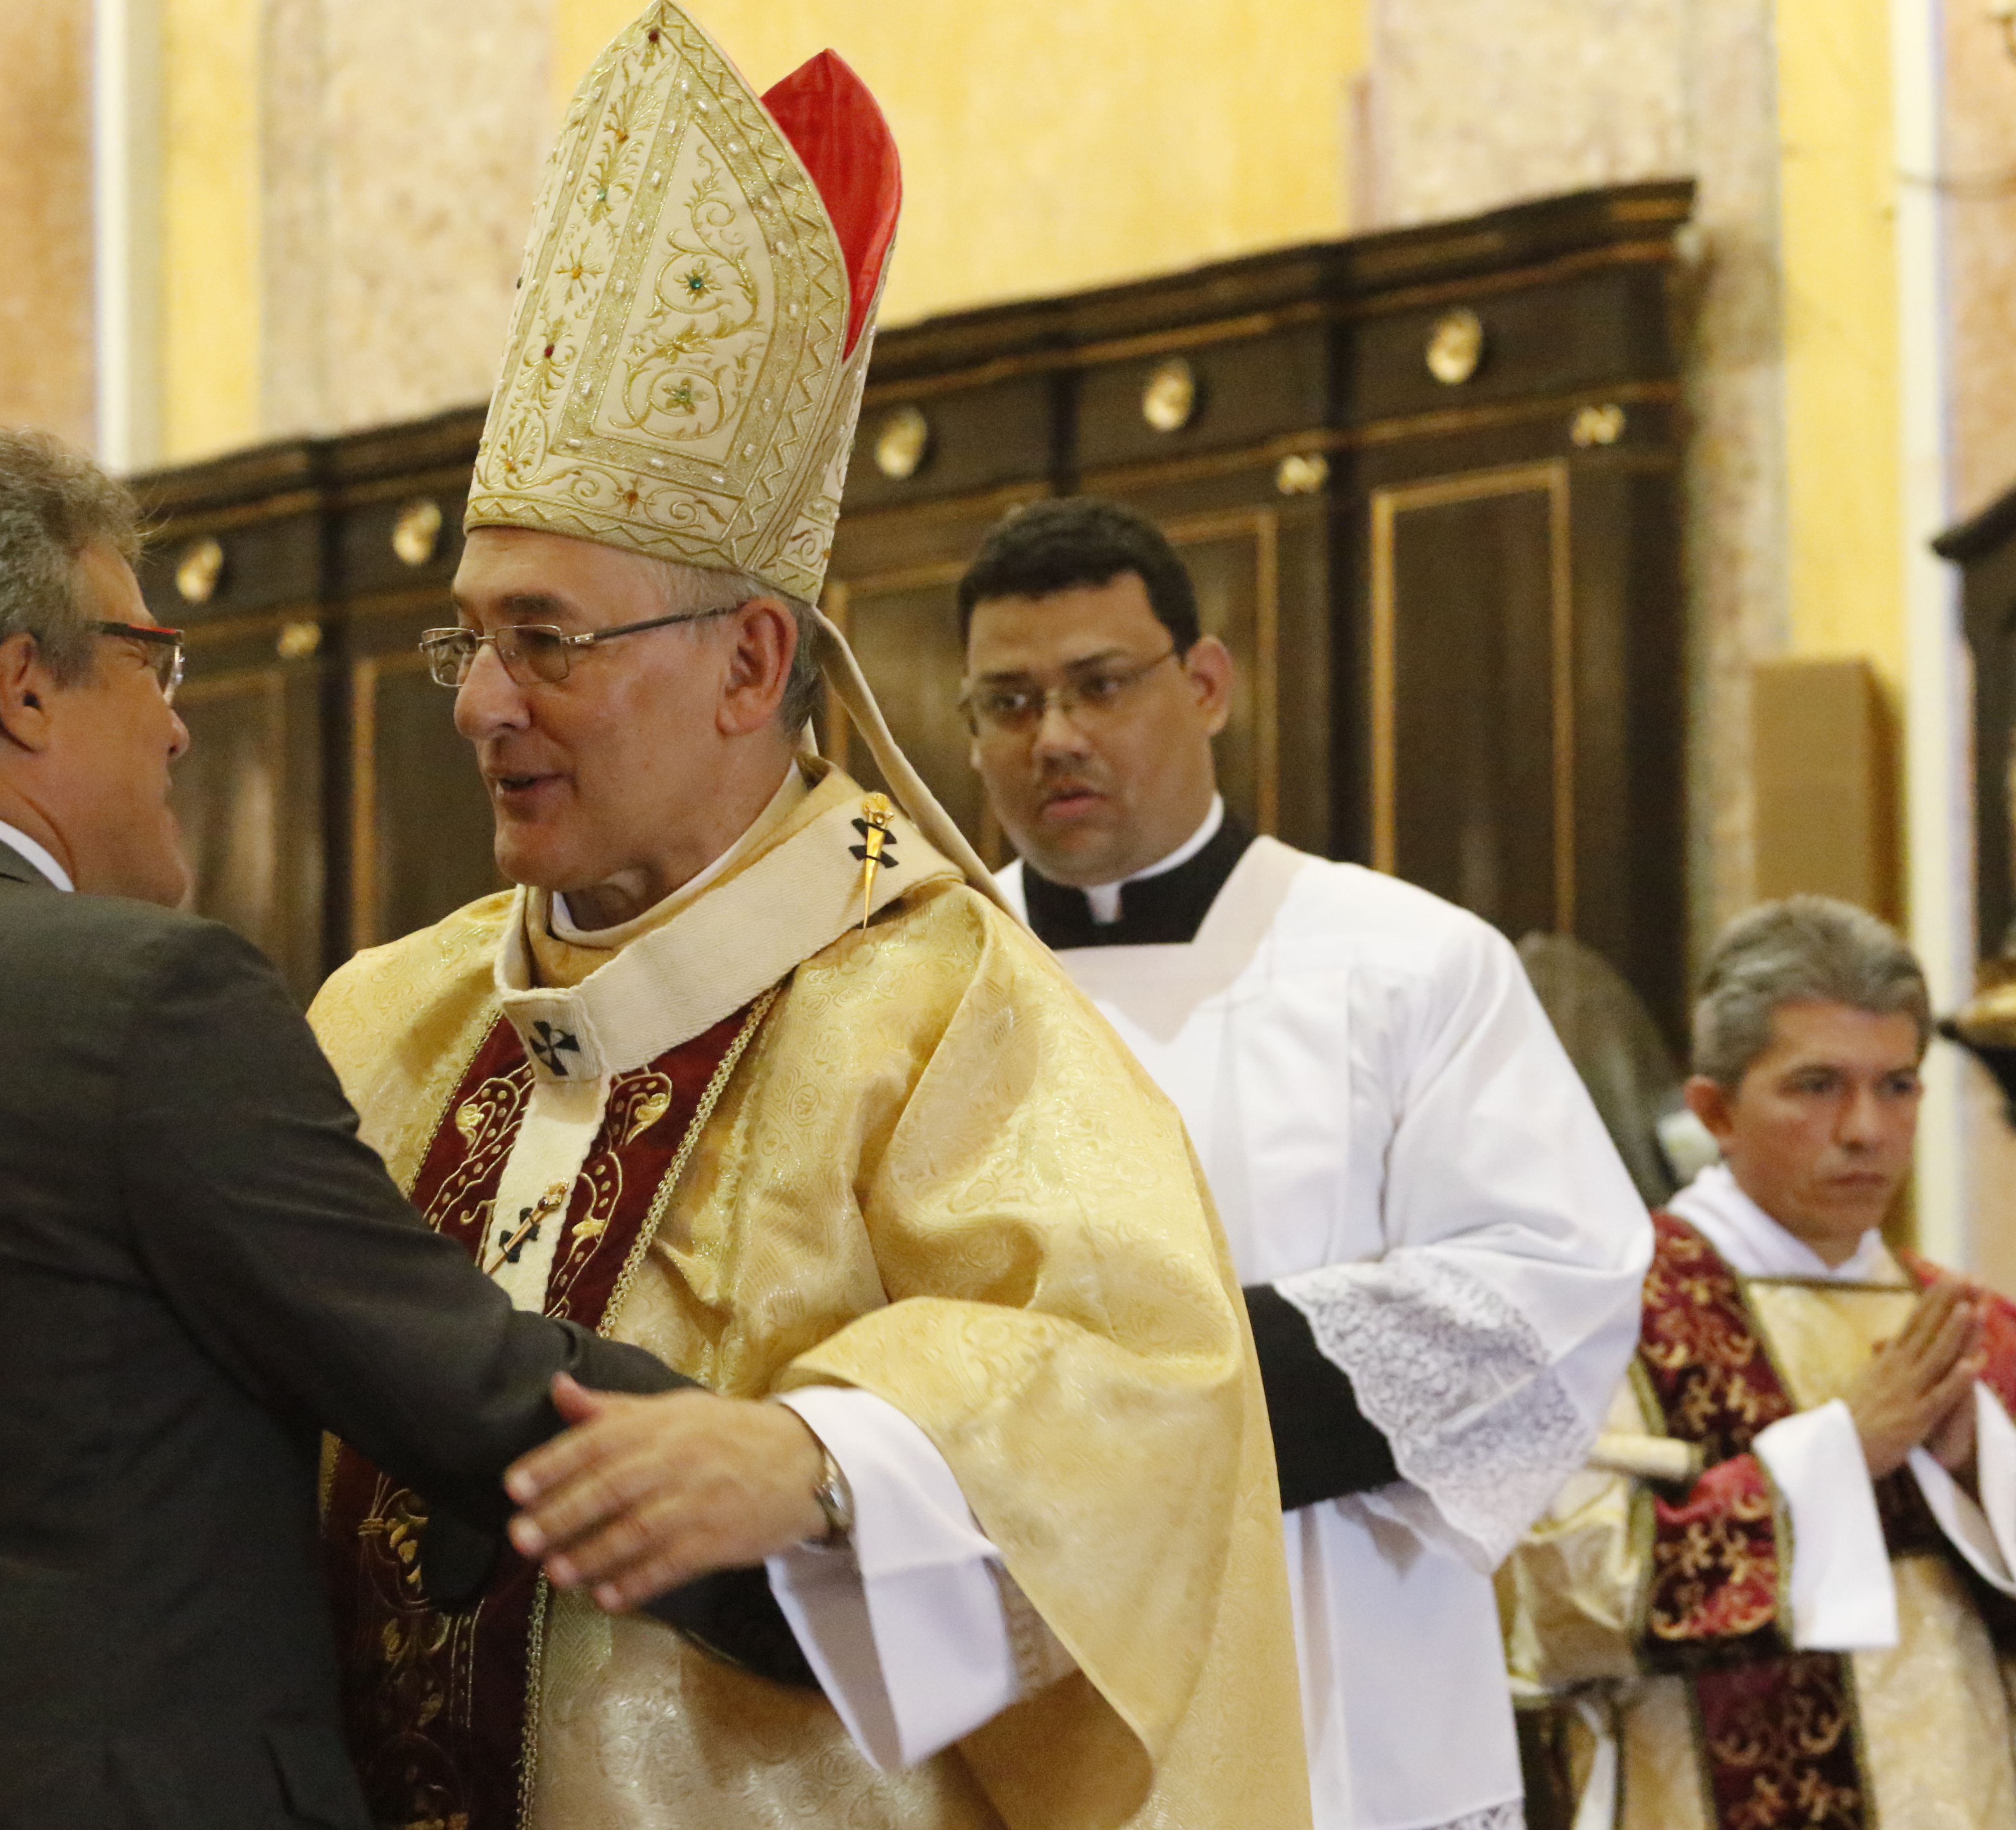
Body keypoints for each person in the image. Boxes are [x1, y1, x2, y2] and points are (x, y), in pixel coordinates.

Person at [304, 8, 1309, 1829]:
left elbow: (1147, 1387)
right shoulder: (387, 1017)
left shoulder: (945, 1007)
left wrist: (817, 1449)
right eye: (470, 633)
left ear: (749, 658)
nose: (479, 700)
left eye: (550, 638)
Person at [0, 426, 698, 1830]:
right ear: (24, 686)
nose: (175, 722)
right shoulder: (135, 1000)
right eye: (150, 661)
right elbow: (465, 1396)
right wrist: (855, 1495)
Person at [956, 495, 1652, 1830]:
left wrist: (1167, 1400)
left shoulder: (1407, 963)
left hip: (1351, 1686)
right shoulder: (914, 988)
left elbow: (1554, 1278)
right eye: (1007, 702)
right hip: (1014, 1675)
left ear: (1206, 684)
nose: (1056, 738)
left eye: (1100, 685)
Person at [1502, 896, 2016, 1829]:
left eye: (1898, 1086)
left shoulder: (1974, 1328)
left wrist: (1977, 1475)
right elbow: (1560, 1600)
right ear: (1713, 1110)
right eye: (1817, 1086)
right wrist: (1841, 1453)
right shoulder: (1617, 1307)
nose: (1866, 1129)